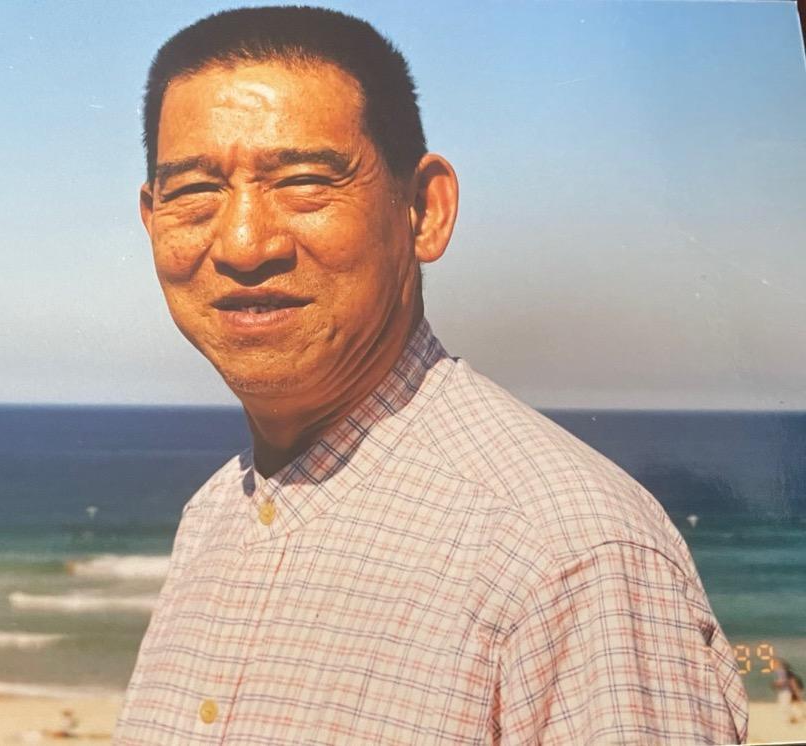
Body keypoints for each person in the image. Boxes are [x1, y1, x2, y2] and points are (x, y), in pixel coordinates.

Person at [115, 6, 749, 744]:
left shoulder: (567, 555)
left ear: (423, 210)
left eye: (305, 181)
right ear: (152, 219)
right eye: (195, 191)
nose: (245, 243)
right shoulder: (214, 518)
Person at [772, 658, 806, 724]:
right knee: (796, 704)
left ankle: (794, 717)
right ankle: (796, 716)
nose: (774, 666)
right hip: (792, 690)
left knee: (787, 705)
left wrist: (796, 691)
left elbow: (791, 682)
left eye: (775, 664)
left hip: (791, 690)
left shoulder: (784, 672)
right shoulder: (785, 672)